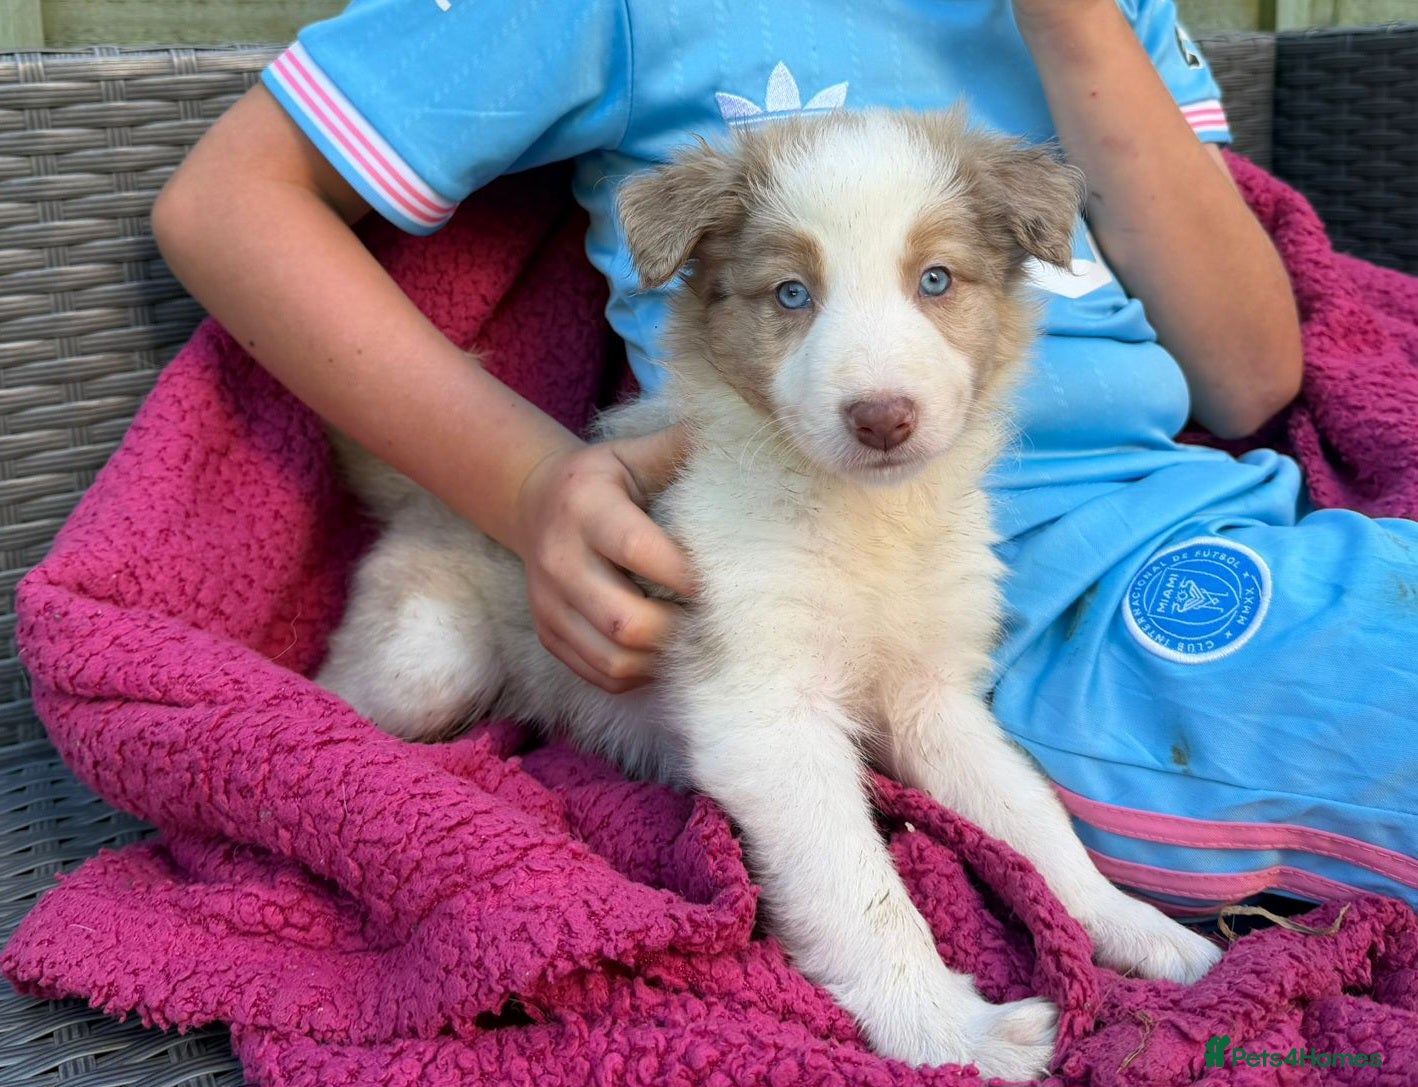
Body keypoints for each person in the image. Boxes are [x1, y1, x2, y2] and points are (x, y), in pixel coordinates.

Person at [152, 0, 1418, 911]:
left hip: (1227, 508)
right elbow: (225, 204)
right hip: (1028, 607)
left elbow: (1251, 378)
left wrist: (1078, 19)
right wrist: (528, 483)